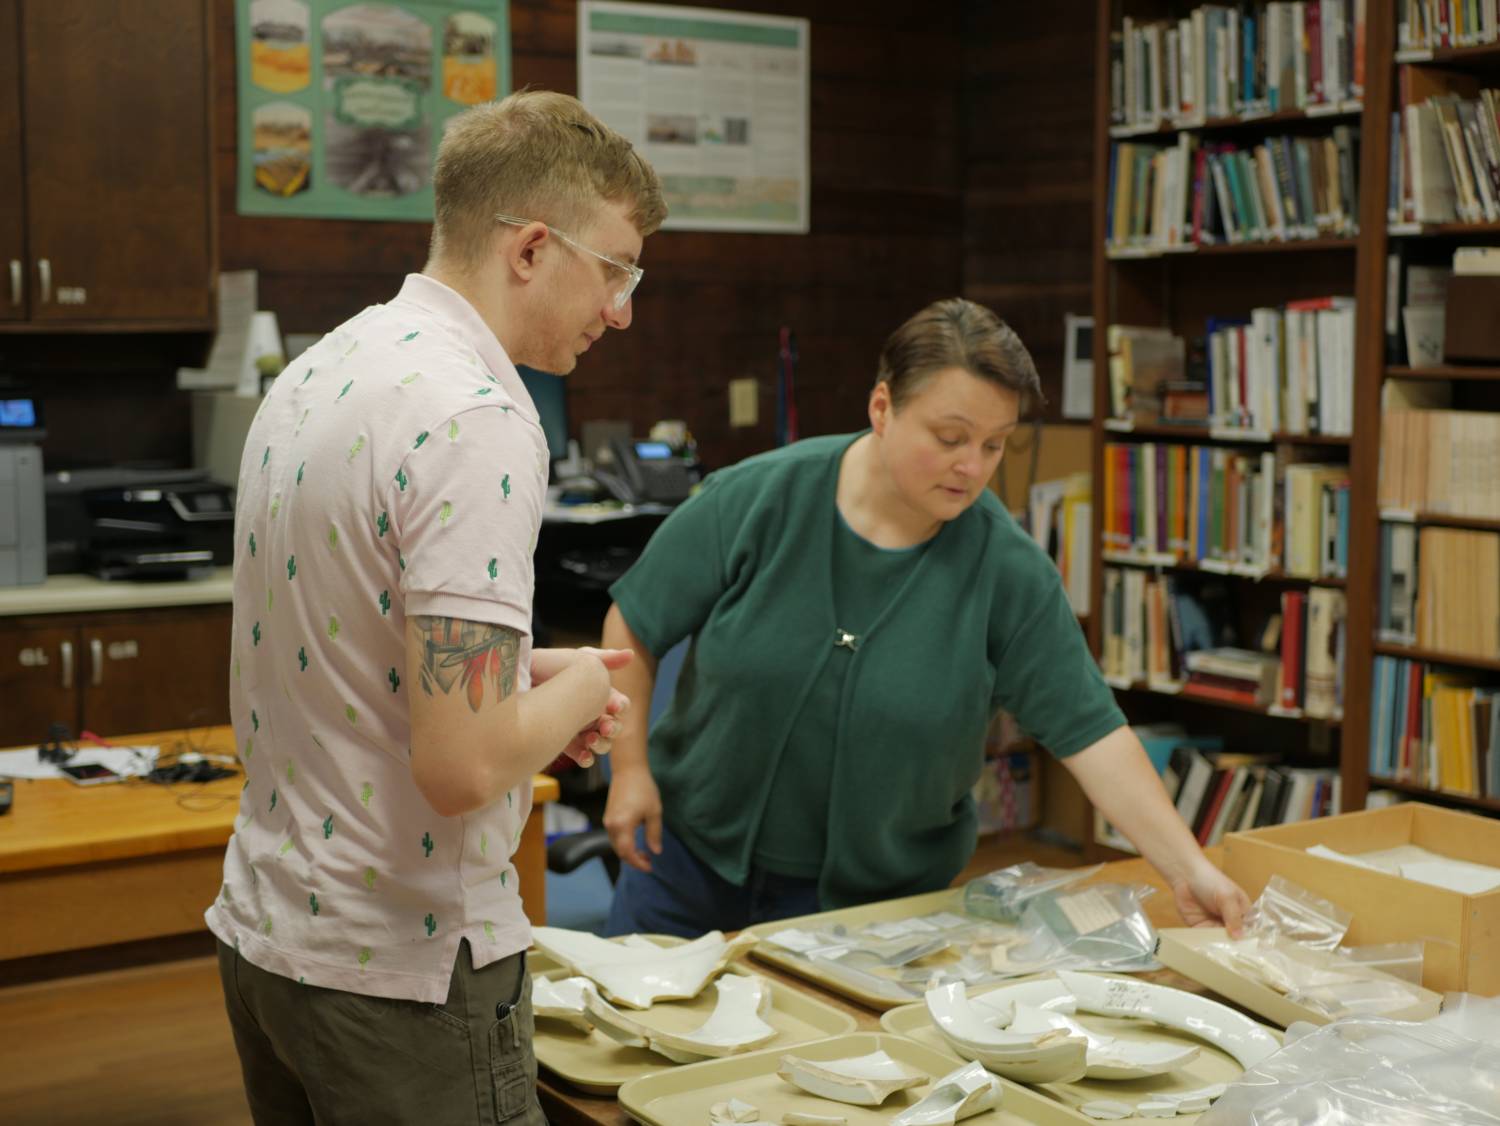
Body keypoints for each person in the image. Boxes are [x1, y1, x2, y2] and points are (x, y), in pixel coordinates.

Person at [206, 90, 665, 1126]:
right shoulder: (476, 416)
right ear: (532, 248)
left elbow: (351, 644)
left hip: (273, 934)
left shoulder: (325, 368)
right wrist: (587, 675)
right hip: (404, 969)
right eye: (615, 269)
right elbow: (460, 768)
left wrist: (515, 682)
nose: (621, 308)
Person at [599, 298, 1250, 940]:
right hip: (682, 869)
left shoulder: (1008, 569)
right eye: (950, 438)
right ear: (882, 408)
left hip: (873, 912)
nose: (973, 467)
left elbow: (1093, 734)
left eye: (995, 444)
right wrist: (628, 770)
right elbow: (636, 621)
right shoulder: (759, 497)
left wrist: (1189, 869)